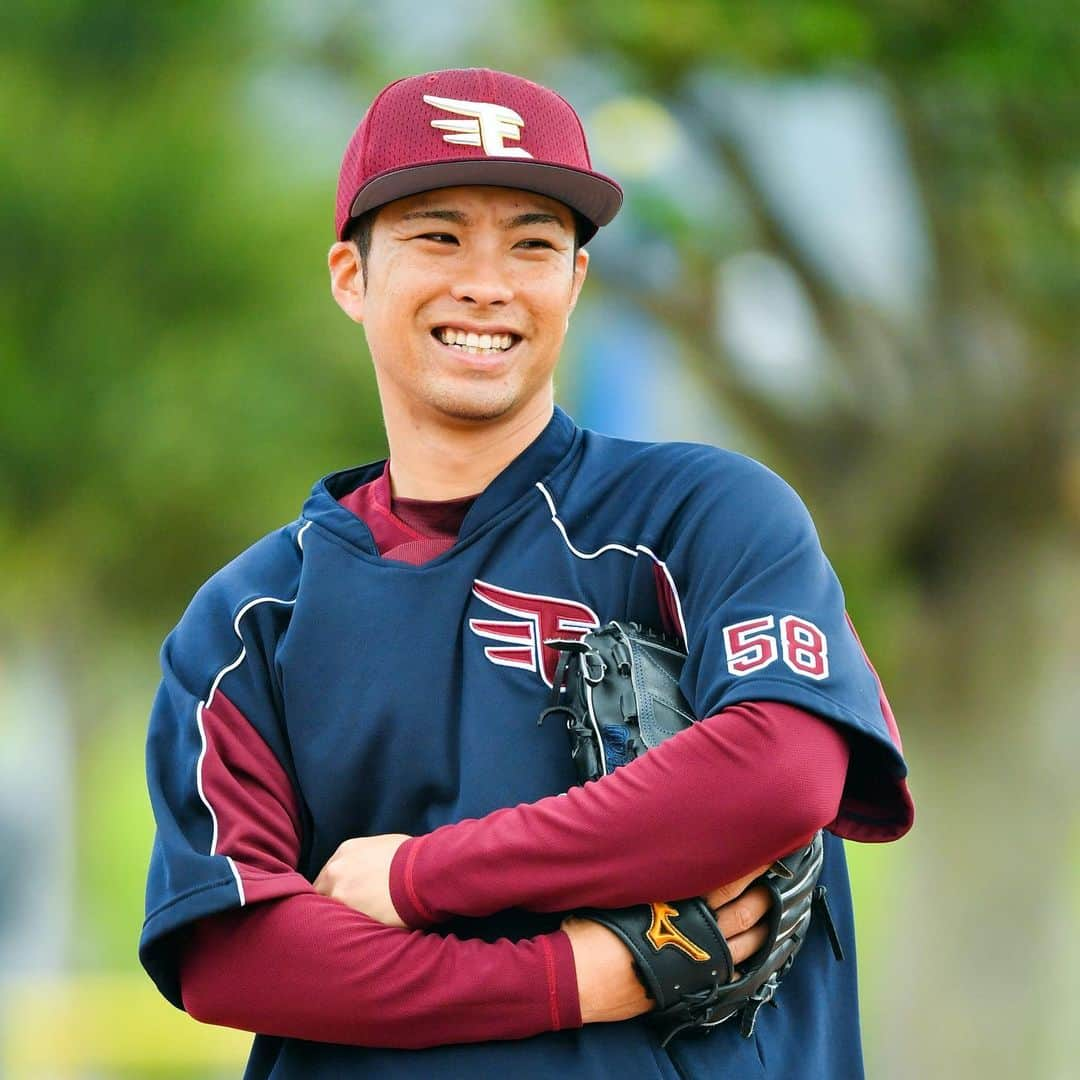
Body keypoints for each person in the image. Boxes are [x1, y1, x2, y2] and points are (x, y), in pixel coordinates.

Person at [140, 67, 914, 1079]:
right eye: (438, 235)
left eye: (535, 244)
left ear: (575, 283)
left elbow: (780, 770)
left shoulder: (698, 516)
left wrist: (421, 876)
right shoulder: (252, 620)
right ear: (349, 276)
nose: (488, 283)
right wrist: (583, 975)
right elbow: (233, 953)